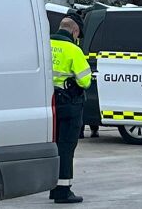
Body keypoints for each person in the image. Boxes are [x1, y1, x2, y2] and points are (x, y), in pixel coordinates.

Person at [50, 17, 92, 204]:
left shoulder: (45, 45)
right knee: (66, 147)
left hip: (48, 104)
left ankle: (52, 187)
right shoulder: (73, 50)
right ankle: (62, 191)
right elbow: (85, 81)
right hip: (69, 105)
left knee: (53, 146)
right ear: (74, 32)